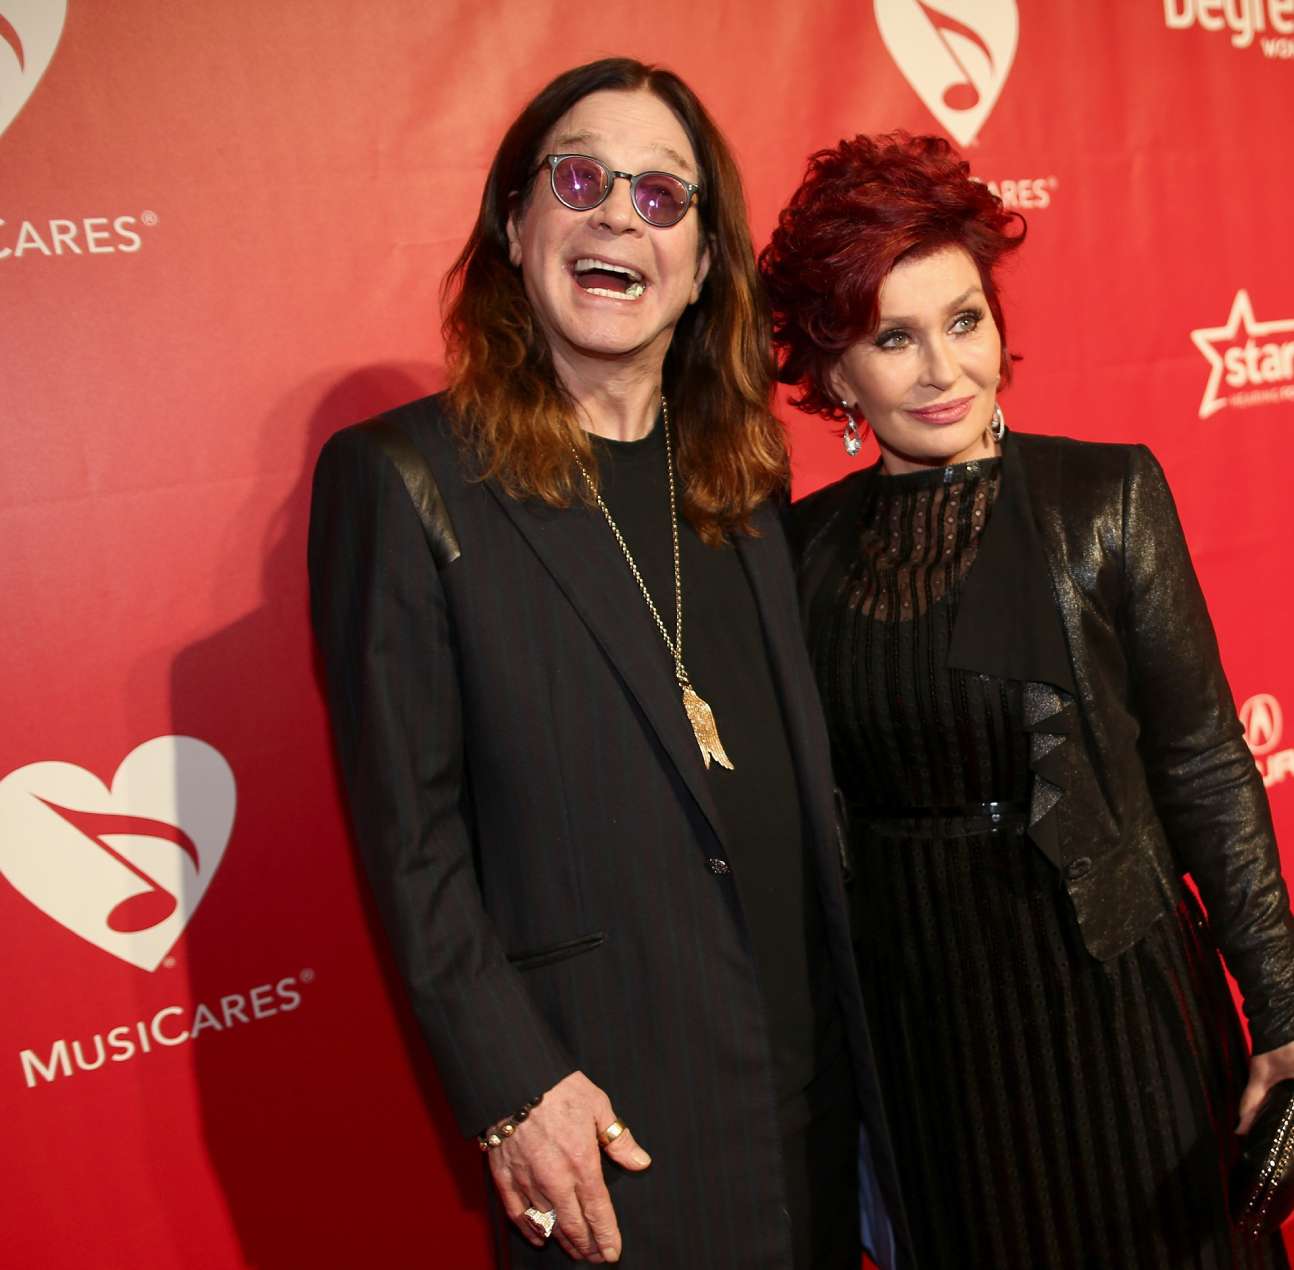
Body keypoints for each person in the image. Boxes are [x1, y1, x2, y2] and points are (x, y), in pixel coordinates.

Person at [309, 60, 902, 1268]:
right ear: (514, 224)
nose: (619, 214)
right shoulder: (407, 480)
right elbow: (412, 843)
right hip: (608, 1123)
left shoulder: (740, 479)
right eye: (579, 180)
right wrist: (514, 1089)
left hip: (817, 1096)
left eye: (661, 195)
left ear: (702, 264)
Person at [760, 133, 1294, 1269]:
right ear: (835, 374)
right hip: (922, 1030)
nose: (942, 369)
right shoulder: (800, 552)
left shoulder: (1103, 498)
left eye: (963, 321)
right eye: (892, 338)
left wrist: (1285, 1001)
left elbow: (1201, 759)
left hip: (1108, 993)